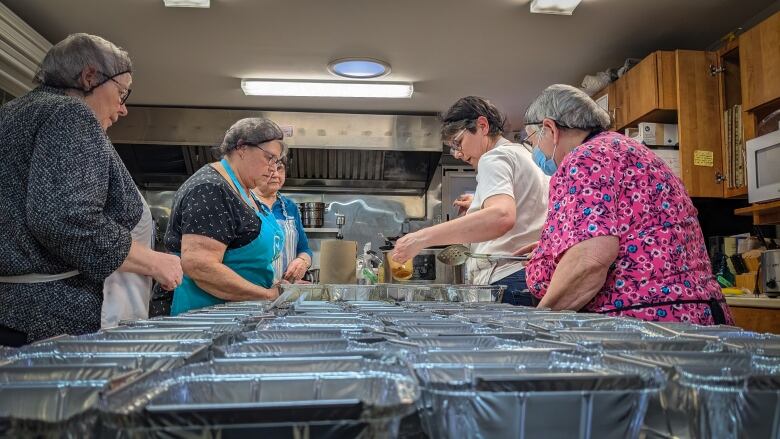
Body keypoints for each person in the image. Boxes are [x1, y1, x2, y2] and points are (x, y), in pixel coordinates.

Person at [0, 33, 182, 345]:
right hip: (51, 321)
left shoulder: (12, 113)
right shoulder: (70, 113)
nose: (123, 109)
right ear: (89, 77)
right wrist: (154, 262)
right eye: (122, 93)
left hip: (15, 312)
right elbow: (65, 219)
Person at [519, 84, 733, 325]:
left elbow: (589, 261)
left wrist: (538, 322)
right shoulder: (625, 150)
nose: (535, 151)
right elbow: (630, 229)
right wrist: (559, 246)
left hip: (650, 321)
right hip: (693, 314)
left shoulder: (585, 158)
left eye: (532, 140)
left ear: (550, 128)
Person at [392, 96, 549, 305]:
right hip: (530, 279)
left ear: (482, 125)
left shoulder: (493, 158)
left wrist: (420, 238)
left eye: (458, 142)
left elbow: (501, 216)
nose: (458, 154)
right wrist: (479, 203)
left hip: (507, 281)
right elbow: (525, 207)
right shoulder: (527, 155)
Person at [165, 118, 286, 314]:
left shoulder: (245, 191)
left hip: (239, 314)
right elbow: (199, 266)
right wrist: (267, 295)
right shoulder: (211, 189)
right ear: (242, 148)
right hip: (207, 319)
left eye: (277, 161)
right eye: (269, 158)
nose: (273, 169)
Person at [253, 158, 313, 283]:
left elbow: (304, 248)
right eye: (269, 169)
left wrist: (302, 261)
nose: (275, 174)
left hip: (285, 293)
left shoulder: (290, 207)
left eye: (279, 168)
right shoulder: (243, 203)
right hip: (252, 293)